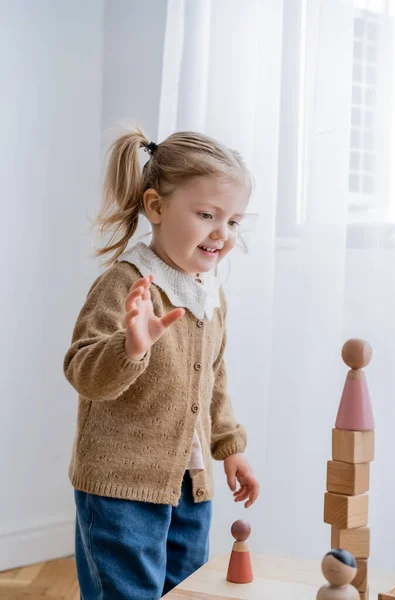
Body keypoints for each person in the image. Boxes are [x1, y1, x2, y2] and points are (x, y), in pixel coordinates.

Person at [63, 126, 260, 599]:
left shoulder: (210, 293)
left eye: (233, 221)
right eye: (207, 215)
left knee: (188, 590)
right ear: (155, 207)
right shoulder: (128, 285)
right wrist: (130, 348)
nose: (221, 233)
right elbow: (82, 370)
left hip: (189, 486)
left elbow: (213, 377)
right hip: (120, 486)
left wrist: (230, 445)